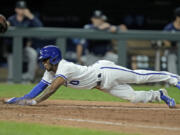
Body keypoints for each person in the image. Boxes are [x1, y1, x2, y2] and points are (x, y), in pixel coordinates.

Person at [4, 45, 180, 108]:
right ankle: (160, 95)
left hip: (105, 71)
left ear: (54, 58)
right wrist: (23, 99)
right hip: (102, 85)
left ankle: (173, 77)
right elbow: (40, 87)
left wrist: (36, 102)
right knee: (134, 97)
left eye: (46, 60)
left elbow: (52, 89)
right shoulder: (50, 72)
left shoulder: (64, 66)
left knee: (138, 77)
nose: (43, 63)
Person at [5, 0, 43, 82]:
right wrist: (5, 24)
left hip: (24, 47)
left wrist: (30, 16)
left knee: (33, 53)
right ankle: (11, 81)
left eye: (23, 8)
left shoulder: (28, 19)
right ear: (16, 9)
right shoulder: (11, 19)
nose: (21, 10)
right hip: (12, 49)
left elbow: (40, 27)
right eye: (19, 8)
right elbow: (5, 27)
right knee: (11, 75)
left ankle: (28, 78)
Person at [163, 7, 180, 74]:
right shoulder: (169, 27)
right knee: (171, 56)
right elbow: (165, 41)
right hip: (172, 50)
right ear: (177, 17)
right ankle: (175, 79)